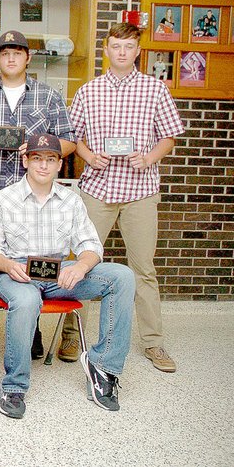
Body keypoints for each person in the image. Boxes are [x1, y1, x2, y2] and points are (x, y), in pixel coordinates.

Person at [0, 133, 135, 418]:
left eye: (50, 160)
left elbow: (90, 246)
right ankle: (14, 386)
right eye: (37, 158)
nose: (43, 165)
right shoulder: (3, 199)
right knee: (26, 301)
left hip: (58, 272)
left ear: (59, 164)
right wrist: (6, 265)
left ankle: (103, 367)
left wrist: (80, 267)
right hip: (15, 271)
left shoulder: (71, 201)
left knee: (121, 277)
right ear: (25, 160)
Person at [63, 22, 184, 373]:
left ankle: (153, 343)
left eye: (128, 46)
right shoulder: (89, 91)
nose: (121, 52)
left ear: (137, 51)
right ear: (106, 49)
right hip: (98, 189)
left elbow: (170, 136)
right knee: (79, 262)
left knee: (143, 268)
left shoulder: (155, 90)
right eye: (115, 45)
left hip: (139, 191)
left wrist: (148, 157)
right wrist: (88, 156)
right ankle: (72, 334)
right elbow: (74, 136)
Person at [0, 30, 75, 359]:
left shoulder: (49, 97)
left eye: (17, 52)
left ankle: (30, 324)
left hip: (32, 200)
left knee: (31, 262)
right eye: (5, 52)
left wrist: (42, 148)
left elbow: (69, 140)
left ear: (28, 58)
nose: (11, 57)